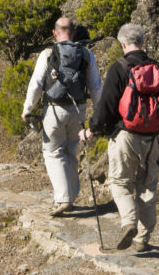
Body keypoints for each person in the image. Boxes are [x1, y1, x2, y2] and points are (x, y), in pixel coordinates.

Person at [80, 23, 159, 252]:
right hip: (151, 138)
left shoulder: (119, 68)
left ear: (122, 44)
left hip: (124, 135)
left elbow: (106, 106)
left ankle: (128, 222)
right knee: (147, 186)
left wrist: (92, 130)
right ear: (143, 42)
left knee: (119, 182)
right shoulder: (157, 67)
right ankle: (142, 239)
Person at [21, 17, 102, 216]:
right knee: (71, 150)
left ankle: (63, 198)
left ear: (55, 33)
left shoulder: (48, 54)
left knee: (52, 152)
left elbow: (36, 84)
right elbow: (96, 86)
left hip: (54, 109)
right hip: (79, 108)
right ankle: (71, 196)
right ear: (73, 33)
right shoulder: (86, 54)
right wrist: (99, 113)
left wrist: (27, 109)